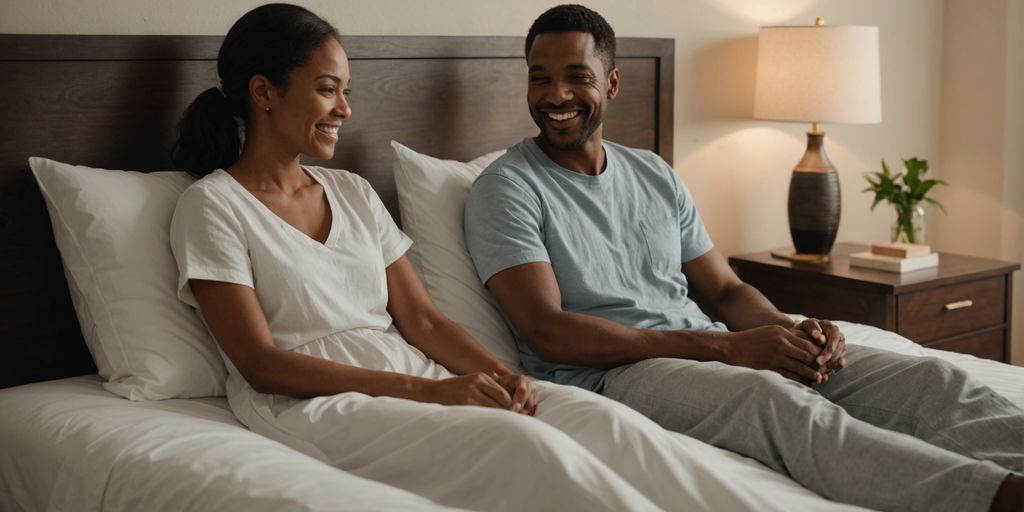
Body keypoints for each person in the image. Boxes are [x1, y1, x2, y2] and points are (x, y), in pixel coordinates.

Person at [167, 4, 799, 512]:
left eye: (347, 90)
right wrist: (431, 394)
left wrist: (502, 376)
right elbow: (261, 363)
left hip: (414, 371)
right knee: (532, 453)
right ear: (264, 92)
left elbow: (427, 323)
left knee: (613, 429)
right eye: (328, 89)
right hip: (319, 399)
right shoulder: (213, 207)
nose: (345, 109)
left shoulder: (353, 193)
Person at [463, 5, 1024, 512]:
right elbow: (548, 332)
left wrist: (790, 331)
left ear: (611, 83)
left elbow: (725, 291)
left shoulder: (653, 173)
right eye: (540, 78)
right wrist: (727, 348)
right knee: (774, 402)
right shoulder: (507, 188)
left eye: (575, 76)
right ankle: (994, 498)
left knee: (931, 378)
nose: (555, 95)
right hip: (615, 374)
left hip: (707, 347)